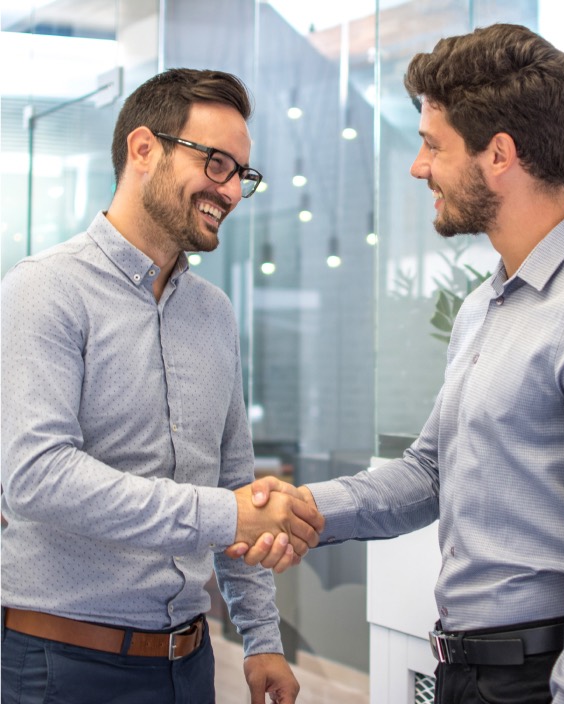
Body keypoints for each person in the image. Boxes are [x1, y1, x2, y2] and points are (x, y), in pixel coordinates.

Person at [231, 24, 564, 704]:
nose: (418, 166)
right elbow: (428, 473)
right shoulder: (484, 306)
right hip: (464, 674)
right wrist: (309, 507)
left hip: (541, 682)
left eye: (433, 145)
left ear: (500, 155)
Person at [1, 68, 324, 704]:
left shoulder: (214, 313)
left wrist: (260, 639)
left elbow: (236, 483)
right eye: (217, 163)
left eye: (241, 175)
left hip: (188, 663)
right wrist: (223, 511)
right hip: (62, 664)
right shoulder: (44, 291)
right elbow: (36, 475)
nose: (230, 190)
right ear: (144, 149)